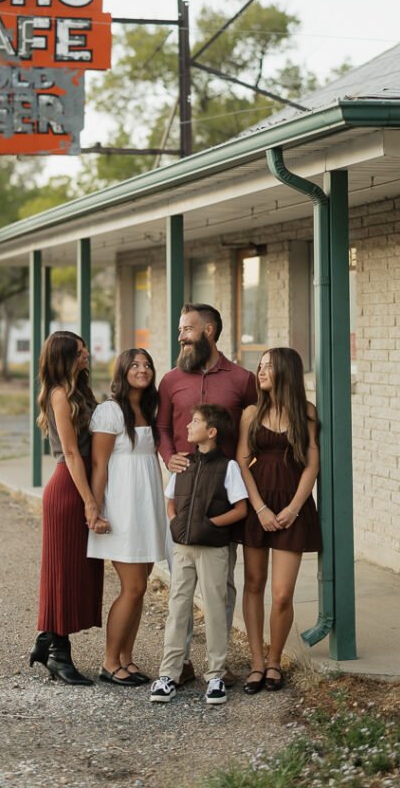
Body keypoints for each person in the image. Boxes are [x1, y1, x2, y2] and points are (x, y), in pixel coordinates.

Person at [156, 303, 257, 685]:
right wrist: (170, 459)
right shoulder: (170, 380)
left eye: (187, 329)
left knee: (221, 585)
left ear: (210, 330)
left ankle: (219, 663)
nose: (181, 335)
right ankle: (178, 666)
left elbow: (257, 426)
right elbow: (162, 426)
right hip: (181, 493)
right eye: (181, 329)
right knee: (179, 588)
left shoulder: (242, 379)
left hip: (222, 492)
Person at [234, 347, 322, 693]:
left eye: (269, 365)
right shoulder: (251, 413)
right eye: (260, 365)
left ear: (286, 370)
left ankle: (275, 660)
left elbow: (312, 465)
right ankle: (256, 663)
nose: (261, 370)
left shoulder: (306, 413)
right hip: (260, 506)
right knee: (254, 584)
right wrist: (259, 508)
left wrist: (293, 508)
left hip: (292, 509)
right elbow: (242, 462)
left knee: (283, 594)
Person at [150, 405, 248, 706]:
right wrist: (175, 522)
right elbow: (170, 499)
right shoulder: (184, 463)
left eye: (195, 422)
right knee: (178, 606)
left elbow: (240, 509)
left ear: (212, 432)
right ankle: (168, 675)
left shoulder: (228, 467)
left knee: (216, 609)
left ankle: (216, 675)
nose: (189, 426)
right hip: (183, 548)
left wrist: (209, 525)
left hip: (214, 550)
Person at [29, 331, 106, 686]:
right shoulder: (59, 395)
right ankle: (59, 655)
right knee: (63, 572)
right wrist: (90, 501)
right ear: (63, 357)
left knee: (79, 571)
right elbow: (72, 453)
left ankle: (48, 639)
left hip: (81, 484)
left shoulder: (79, 391)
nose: (86, 353)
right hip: (69, 489)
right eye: (79, 351)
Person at [87, 348, 167, 686]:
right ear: (122, 370)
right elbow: (99, 464)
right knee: (132, 587)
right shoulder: (110, 411)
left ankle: (126, 659)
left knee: (140, 587)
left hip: (146, 507)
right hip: (121, 509)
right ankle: (109, 662)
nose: (142, 369)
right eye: (134, 364)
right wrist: (95, 509)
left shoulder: (148, 408)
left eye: (147, 364)